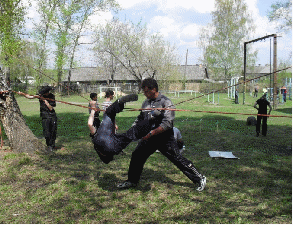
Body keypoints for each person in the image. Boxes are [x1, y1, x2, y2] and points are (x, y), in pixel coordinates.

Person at [117, 78, 206, 191]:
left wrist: (151, 133)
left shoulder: (166, 102)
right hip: (149, 137)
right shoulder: (146, 103)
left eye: (146, 91)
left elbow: (168, 124)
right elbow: (141, 118)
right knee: (137, 155)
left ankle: (200, 178)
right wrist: (135, 129)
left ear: (153, 89)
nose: (144, 94)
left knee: (178, 159)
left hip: (164, 137)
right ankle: (132, 181)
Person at [88, 93, 152, 164]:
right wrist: (93, 109)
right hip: (102, 137)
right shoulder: (95, 142)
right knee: (108, 113)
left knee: (130, 134)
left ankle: (150, 119)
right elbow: (90, 124)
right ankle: (119, 103)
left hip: (113, 147)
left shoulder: (114, 151)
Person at [24, 86, 57, 152]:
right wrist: (23, 94)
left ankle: (52, 145)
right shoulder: (40, 95)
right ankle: (49, 145)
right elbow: (31, 97)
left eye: (44, 93)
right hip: (44, 116)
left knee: (52, 132)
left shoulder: (52, 96)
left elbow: (51, 108)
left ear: (47, 93)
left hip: (52, 116)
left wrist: (44, 100)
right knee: (46, 132)